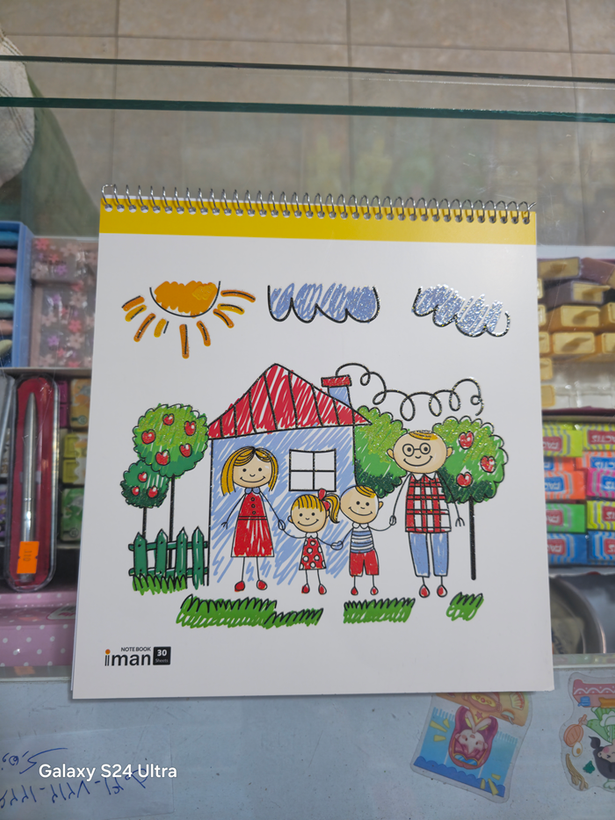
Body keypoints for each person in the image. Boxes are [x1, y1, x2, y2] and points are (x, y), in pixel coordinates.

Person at [388, 430, 464, 599]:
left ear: (446, 453)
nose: (417, 455)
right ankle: (423, 582)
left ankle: (441, 581)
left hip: (439, 516)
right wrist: (393, 514)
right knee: (418, 545)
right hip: (414, 517)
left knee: (440, 545)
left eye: (424, 450)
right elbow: (399, 496)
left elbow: (450, 493)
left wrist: (458, 514)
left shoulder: (438, 477)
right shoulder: (411, 479)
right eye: (409, 450)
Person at [220, 446, 285, 592]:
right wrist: (228, 519)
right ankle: (242, 579)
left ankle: (258, 578)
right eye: (243, 470)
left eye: (260, 470)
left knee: (257, 549)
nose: (252, 474)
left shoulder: (259, 494)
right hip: (244, 521)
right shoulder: (246, 494)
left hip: (259, 521)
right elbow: (237, 505)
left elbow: (269, 504)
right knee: (245, 550)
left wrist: (278, 518)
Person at [287, 489, 340, 595]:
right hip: (307, 549)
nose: (307, 518)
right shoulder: (307, 536)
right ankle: (307, 584)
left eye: (312, 514)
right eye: (300, 515)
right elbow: (295, 536)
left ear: (326, 514)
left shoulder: (315, 536)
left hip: (315, 548)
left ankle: (320, 583)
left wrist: (332, 545)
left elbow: (321, 541)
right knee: (307, 566)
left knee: (317, 566)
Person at [339, 485, 385, 596]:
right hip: (355, 551)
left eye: (367, 504)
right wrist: (341, 542)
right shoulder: (354, 527)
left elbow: (381, 528)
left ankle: (373, 586)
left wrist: (390, 524)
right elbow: (347, 535)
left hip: (369, 550)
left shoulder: (367, 527)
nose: (362, 507)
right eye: (358, 503)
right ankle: (355, 586)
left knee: (372, 568)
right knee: (356, 569)